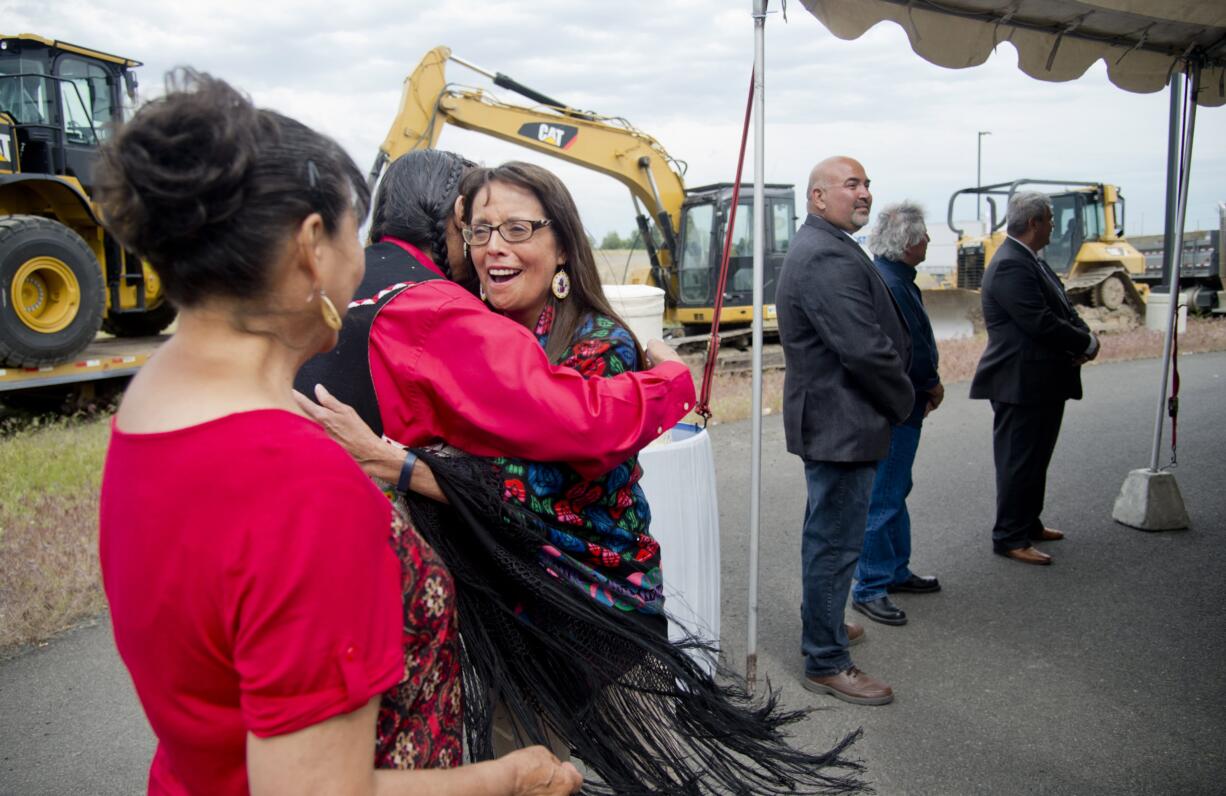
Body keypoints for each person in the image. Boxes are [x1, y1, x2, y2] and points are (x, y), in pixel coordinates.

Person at [299, 159, 867, 795]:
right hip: (508, 594)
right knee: (528, 763)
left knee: (587, 767)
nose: (494, 248)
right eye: (480, 230)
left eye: (517, 228)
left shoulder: (601, 344)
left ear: (563, 245)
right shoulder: (483, 333)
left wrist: (403, 465)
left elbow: (553, 478)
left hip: (584, 604)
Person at [95, 71, 581, 796]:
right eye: (359, 230)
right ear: (310, 245)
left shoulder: (154, 404)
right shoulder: (306, 486)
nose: (367, 260)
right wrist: (507, 776)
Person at [776, 156, 913, 706]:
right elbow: (862, 348)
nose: (864, 193)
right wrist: (904, 400)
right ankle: (826, 659)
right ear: (817, 197)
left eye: (867, 184)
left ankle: (825, 622)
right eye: (851, 184)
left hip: (839, 418)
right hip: (842, 419)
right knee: (834, 543)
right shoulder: (825, 256)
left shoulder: (829, 245)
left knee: (827, 535)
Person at [970, 191, 1099, 565]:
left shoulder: (1030, 260)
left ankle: (1029, 522)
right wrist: (1084, 342)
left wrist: (1085, 337)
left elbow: (1062, 307)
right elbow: (1038, 321)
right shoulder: (1011, 264)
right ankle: (1010, 536)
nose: (1054, 227)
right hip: (1019, 382)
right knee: (1018, 461)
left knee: (1037, 457)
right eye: (1051, 220)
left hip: (1041, 379)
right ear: (1034, 224)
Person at [851, 202, 944, 626]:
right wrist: (927, 385)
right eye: (924, 236)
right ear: (909, 243)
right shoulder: (891, 284)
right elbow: (906, 352)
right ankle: (870, 586)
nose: (928, 242)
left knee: (895, 491)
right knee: (884, 498)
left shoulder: (893, 277)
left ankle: (895, 570)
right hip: (899, 408)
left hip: (902, 404)